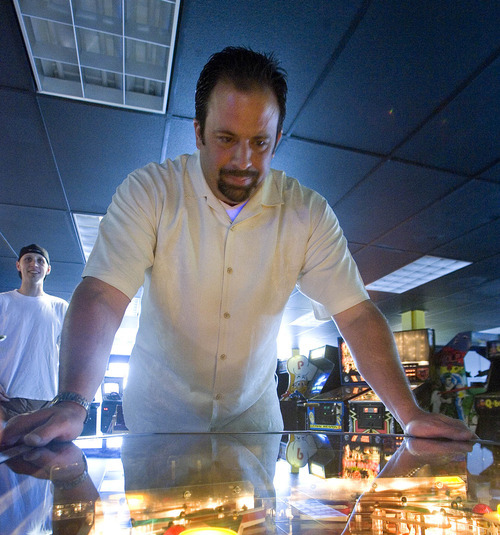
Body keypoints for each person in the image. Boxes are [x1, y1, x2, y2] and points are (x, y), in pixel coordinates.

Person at [0, 48, 474, 447]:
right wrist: (73, 401)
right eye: (226, 139)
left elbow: (355, 314)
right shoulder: (151, 191)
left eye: (259, 143)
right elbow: (103, 295)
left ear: (277, 139)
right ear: (198, 131)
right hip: (159, 429)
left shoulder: (306, 212)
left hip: (254, 430)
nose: (243, 162)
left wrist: (408, 413)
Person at [0, 243, 68, 423]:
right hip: (7, 397)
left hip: (47, 398)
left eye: (40, 261)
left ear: (48, 269)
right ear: (18, 265)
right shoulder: (2, 302)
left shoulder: (60, 307)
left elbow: (69, 355)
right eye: (28, 259)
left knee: (41, 450)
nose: (34, 264)